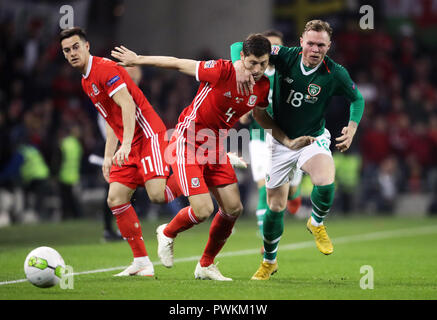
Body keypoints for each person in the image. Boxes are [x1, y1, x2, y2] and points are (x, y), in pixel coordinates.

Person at [111, 34, 315, 280]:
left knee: (233, 208)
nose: (258, 69)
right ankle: (167, 232)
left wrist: (288, 141)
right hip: (187, 142)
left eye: (263, 63)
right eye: (252, 63)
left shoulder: (262, 86)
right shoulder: (220, 70)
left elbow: (261, 116)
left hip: (216, 148)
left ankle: (206, 265)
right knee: (204, 209)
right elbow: (177, 63)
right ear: (242, 57)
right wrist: (138, 59)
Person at [230, 20, 365, 280]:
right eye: (311, 43)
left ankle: (316, 221)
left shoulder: (335, 73)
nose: (315, 49)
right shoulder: (284, 55)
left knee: (325, 180)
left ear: (328, 46)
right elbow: (239, 46)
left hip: (312, 138)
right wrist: (239, 65)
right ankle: (269, 261)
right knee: (276, 205)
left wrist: (352, 126)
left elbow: (357, 98)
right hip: (279, 142)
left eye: (321, 45)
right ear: (301, 41)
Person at [60, 27, 182, 277]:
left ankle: (195, 174)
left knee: (157, 195)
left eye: (75, 47)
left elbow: (127, 103)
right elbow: (110, 118)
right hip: (128, 141)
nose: (72, 53)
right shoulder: (86, 80)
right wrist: (108, 154)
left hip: (147, 136)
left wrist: (125, 144)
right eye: (66, 50)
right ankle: (141, 262)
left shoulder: (104, 69)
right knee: (115, 198)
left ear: (87, 46)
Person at [238, 30, 304, 249]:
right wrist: (245, 113)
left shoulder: (289, 73)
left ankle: (295, 195)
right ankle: (264, 233)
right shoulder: (254, 75)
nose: (274, 51)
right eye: (270, 46)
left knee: (291, 190)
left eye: (277, 46)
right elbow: (244, 113)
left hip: (287, 139)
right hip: (259, 137)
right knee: (263, 187)